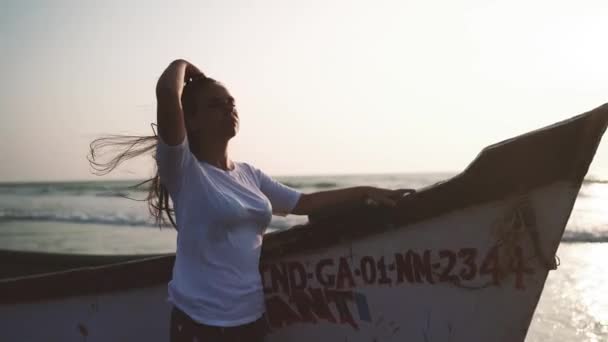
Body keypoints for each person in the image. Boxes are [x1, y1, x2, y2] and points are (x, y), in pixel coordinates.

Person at [89, 59, 411, 342]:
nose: (229, 107)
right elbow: (166, 92)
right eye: (216, 104)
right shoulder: (183, 169)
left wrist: (366, 191)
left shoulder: (249, 175)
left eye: (231, 102)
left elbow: (305, 204)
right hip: (199, 322)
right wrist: (183, 64)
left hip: (251, 317)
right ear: (193, 121)